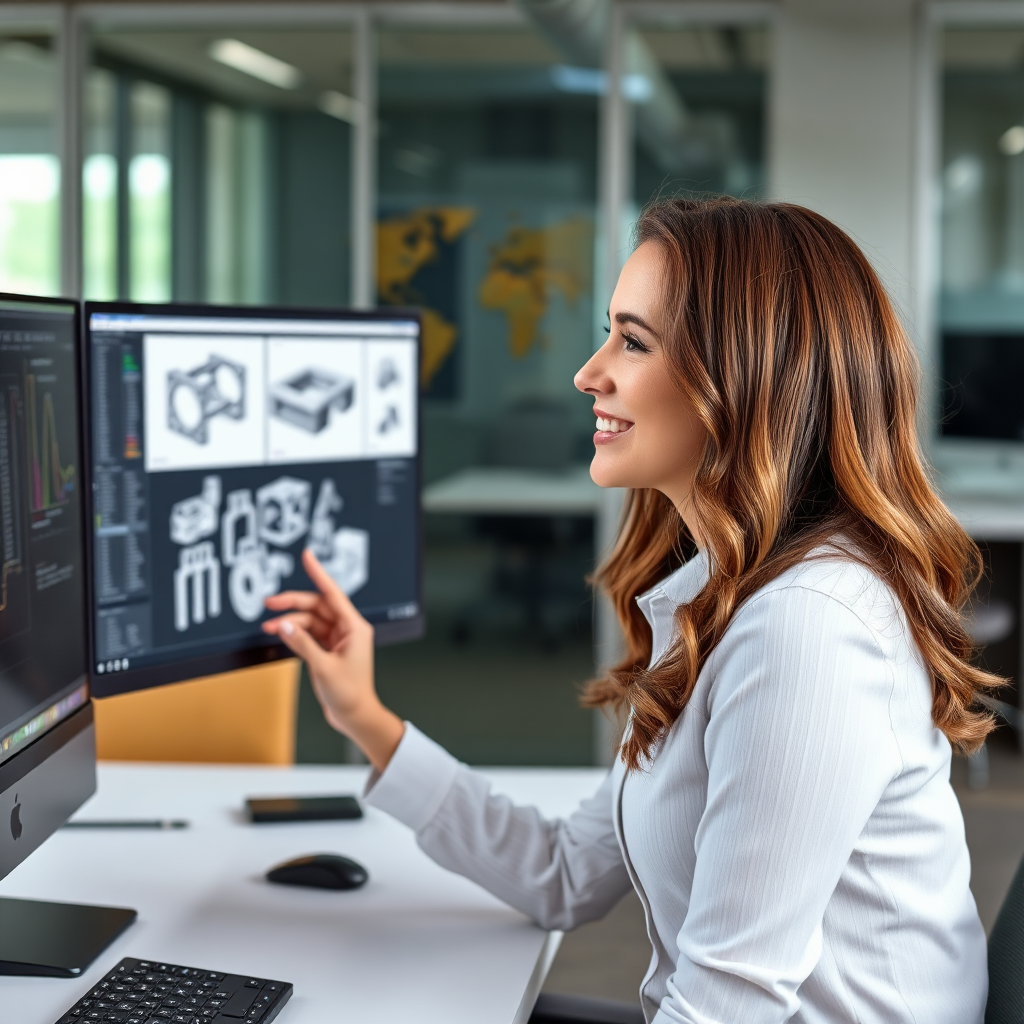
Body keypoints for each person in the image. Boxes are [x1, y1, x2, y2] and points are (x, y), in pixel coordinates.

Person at [262, 196, 996, 1024]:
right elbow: (564, 874)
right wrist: (363, 717)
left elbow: (726, 1006)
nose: (589, 373)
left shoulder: (808, 627)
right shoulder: (724, 594)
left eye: (633, 341)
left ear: (745, 376)